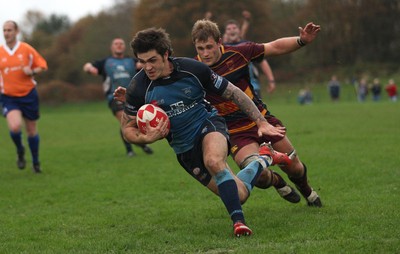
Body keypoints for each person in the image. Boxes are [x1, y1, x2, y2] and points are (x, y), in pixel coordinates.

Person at [117, 27, 289, 236]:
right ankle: (264, 158)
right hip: (184, 148)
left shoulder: (193, 69)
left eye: (152, 60)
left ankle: (238, 223)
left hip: (208, 124)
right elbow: (127, 127)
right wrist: (145, 137)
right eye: (142, 62)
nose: (147, 67)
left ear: (166, 54)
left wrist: (261, 122)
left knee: (214, 161)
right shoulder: (138, 87)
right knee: (240, 194)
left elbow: (234, 93)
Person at [191, 19, 322, 207]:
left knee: (294, 166)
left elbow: (273, 47)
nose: (205, 53)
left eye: (209, 47)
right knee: (259, 176)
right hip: (233, 131)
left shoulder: (239, 53)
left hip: (262, 119)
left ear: (219, 42)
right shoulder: (193, 69)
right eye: (200, 48)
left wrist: (301, 41)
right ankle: (277, 181)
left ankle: (307, 191)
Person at [83, 38, 153, 157]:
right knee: (124, 119)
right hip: (114, 97)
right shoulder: (105, 62)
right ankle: (130, 150)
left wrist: (144, 64)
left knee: (135, 122)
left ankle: (141, 143)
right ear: (112, 47)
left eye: (121, 44)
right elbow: (86, 65)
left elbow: (146, 63)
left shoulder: (131, 61)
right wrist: (89, 69)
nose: (119, 46)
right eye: (116, 44)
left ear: (124, 47)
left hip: (132, 96)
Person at [0, 20, 48, 173]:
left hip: (28, 94)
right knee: (14, 127)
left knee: (31, 130)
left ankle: (35, 162)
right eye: (4, 30)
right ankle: (20, 150)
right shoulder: (0, 52)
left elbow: (42, 65)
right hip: (8, 96)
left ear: (16, 31)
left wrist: (32, 71)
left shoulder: (26, 49)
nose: (6, 33)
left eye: (9, 30)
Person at [223, 16, 276, 96]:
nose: (232, 30)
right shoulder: (222, 49)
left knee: (257, 108)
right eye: (229, 29)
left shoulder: (248, 45)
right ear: (225, 33)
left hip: (252, 87)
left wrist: (271, 80)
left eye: (234, 28)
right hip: (231, 89)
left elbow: (262, 62)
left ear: (239, 31)